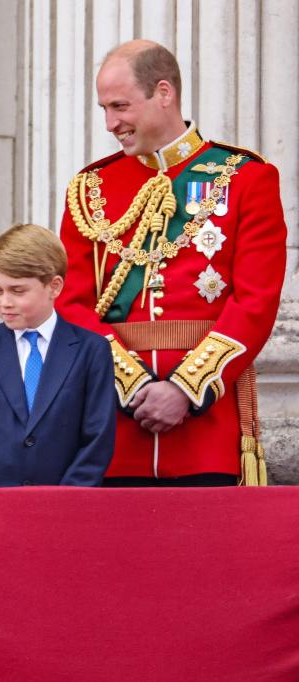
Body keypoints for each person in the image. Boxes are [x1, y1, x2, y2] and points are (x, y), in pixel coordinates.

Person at [55, 40, 287, 486]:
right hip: (115, 429)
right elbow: (70, 302)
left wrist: (185, 388)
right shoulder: (90, 189)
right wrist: (134, 386)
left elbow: (255, 302)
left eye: (120, 106)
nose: (110, 123)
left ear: (164, 93)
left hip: (208, 428)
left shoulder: (246, 178)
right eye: (103, 108)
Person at [0, 225, 116, 486]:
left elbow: (97, 437)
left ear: (54, 287)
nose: (4, 302)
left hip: (65, 509)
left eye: (17, 291)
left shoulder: (91, 350)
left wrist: (66, 500)